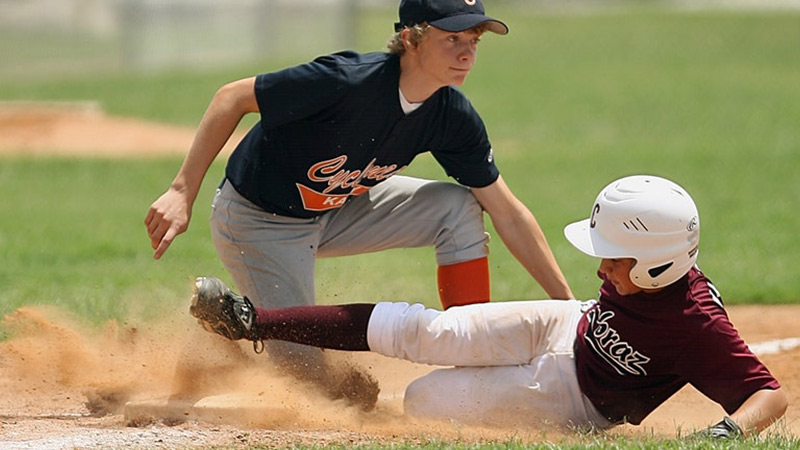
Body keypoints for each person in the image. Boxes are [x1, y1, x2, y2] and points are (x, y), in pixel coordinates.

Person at [144, 0, 573, 406]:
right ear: (411, 38)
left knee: (457, 207)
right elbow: (231, 97)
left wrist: (570, 309)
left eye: (473, 42)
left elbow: (508, 212)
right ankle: (224, 329)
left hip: (337, 208)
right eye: (452, 39)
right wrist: (182, 191)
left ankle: (473, 351)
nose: (466, 54)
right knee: (309, 382)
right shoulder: (346, 81)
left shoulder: (450, 115)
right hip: (259, 220)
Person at [188, 175, 787, 436]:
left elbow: (770, 395)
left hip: (581, 399)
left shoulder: (698, 325)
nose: (602, 266)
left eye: (616, 258)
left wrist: (724, 434)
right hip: (568, 324)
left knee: (426, 399)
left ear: (660, 263)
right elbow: (604, 289)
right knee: (427, 331)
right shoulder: (641, 275)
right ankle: (249, 320)